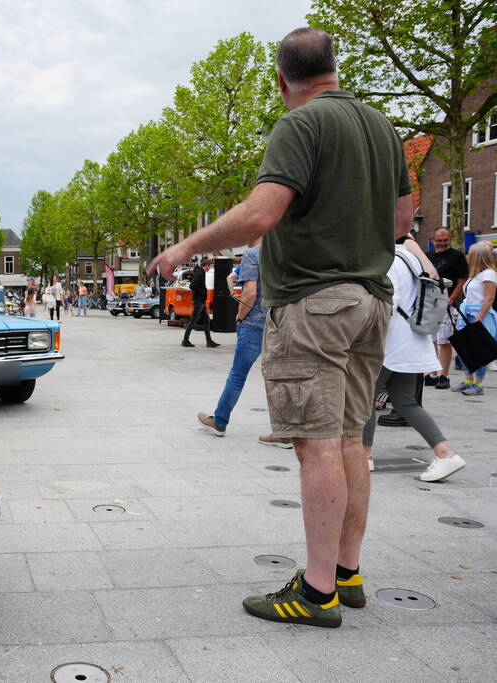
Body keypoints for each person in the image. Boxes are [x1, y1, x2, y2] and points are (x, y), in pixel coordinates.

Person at [149, 27, 412, 628]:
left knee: (316, 445)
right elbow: (400, 219)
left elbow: (261, 215)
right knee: (352, 441)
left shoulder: (301, 124)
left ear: (280, 79)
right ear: (334, 66)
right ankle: (347, 573)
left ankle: (316, 593)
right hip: (372, 301)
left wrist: (186, 245)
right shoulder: (381, 126)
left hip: (315, 304)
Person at [363, 236, 466, 481]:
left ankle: (363, 457)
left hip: (389, 342)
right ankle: (445, 453)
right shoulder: (414, 258)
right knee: (406, 401)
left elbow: (387, 304)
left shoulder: (388, 261)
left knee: (363, 400)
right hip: (413, 339)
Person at [197, 239, 292, 448]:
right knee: (280, 378)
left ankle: (219, 421)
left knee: (237, 375)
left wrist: (240, 317)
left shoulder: (253, 255)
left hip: (256, 323)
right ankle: (284, 432)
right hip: (283, 323)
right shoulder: (287, 249)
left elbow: (250, 293)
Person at [450, 243, 497, 395]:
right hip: (467, 314)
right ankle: (468, 380)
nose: (467, 256)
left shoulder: (489, 274)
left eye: (470, 254)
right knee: (465, 348)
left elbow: (489, 299)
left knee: (479, 350)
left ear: (478, 256)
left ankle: (478, 384)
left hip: (480, 316)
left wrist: (479, 318)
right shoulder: (475, 275)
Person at [425, 227, 468, 389]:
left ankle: (444, 375)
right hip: (430, 303)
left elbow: (462, 280)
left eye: (445, 240)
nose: (442, 243)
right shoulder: (427, 256)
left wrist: (451, 298)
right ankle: (432, 374)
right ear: (432, 240)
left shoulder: (457, 256)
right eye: (439, 240)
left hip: (446, 305)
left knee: (444, 340)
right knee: (430, 340)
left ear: (450, 239)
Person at [181, 258, 218, 348]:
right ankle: (185, 340)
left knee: (206, 320)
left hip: (200, 300)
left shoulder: (201, 272)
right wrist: (202, 292)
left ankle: (209, 341)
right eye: (210, 266)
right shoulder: (199, 273)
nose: (210, 268)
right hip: (198, 301)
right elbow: (192, 285)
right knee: (193, 321)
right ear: (207, 265)